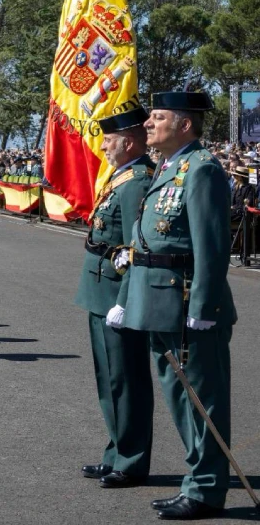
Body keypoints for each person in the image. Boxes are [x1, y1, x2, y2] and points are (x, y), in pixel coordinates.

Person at [113, 91, 237, 520]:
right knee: (180, 399)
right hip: (158, 303)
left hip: (187, 304)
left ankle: (204, 489)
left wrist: (203, 306)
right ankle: (197, 481)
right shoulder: (169, 166)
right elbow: (144, 244)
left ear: (185, 125)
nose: (147, 123)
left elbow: (212, 246)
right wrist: (128, 298)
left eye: (158, 117)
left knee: (202, 398)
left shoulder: (201, 169)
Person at [73, 107, 156, 489]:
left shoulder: (138, 180)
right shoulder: (122, 176)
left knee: (127, 379)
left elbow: (135, 248)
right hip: (99, 288)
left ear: (129, 141)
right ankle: (116, 452)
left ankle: (133, 459)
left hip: (116, 292)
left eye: (109, 139)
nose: (104, 145)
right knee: (109, 379)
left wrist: (125, 300)